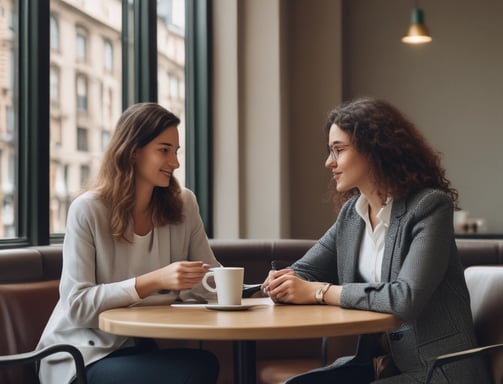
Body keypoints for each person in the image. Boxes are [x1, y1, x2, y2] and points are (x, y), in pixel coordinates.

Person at [261, 98, 492, 383]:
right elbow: (306, 270)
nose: (328, 162)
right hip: (382, 365)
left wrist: (319, 292)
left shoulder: (429, 207)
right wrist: (284, 281)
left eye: (338, 150)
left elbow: (405, 298)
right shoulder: (352, 214)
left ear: (373, 150)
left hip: (437, 370)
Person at [37, 103, 220, 384]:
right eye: (164, 150)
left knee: (204, 362)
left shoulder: (184, 203)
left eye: (176, 151)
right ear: (133, 151)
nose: (175, 163)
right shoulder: (88, 209)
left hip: (139, 347)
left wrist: (257, 291)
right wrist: (152, 281)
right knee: (193, 370)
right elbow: (77, 305)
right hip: (82, 356)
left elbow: (207, 279)